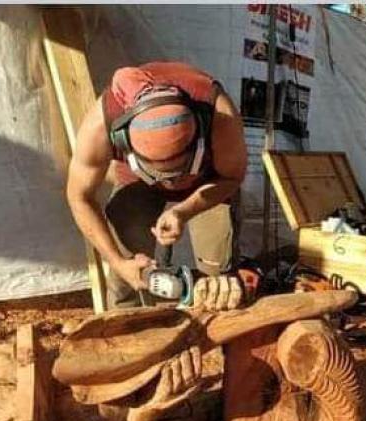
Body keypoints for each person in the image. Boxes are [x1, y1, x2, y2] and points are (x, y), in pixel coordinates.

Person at [66, 61, 254, 309]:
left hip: (209, 180)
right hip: (137, 181)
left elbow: (231, 177)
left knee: (217, 275)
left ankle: (216, 330)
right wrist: (118, 263)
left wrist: (183, 211)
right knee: (127, 255)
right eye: (162, 174)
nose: (171, 183)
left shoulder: (220, 114)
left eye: (178, 172)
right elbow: (79, 197)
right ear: (125, 142)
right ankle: (126, 322)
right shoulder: (100, 126)